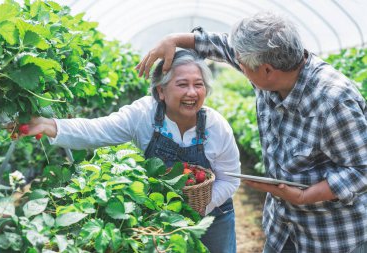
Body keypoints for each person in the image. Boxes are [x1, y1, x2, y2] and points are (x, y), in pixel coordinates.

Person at [136, 12, 367, 253]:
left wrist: (303, 196)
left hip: (331, 235)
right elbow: (224, 46)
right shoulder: (272, 66)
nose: (239, 67)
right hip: (282, 227)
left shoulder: (333, 101)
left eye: (242, 65)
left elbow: (362, 170)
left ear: (267, 70)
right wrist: (175, 39)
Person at [19, 50, 240, 253]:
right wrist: (50, 125)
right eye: (182, 84)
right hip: (160, 215)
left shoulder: (216, 127)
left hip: (214, 215)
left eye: (198, 84)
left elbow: (230, 180)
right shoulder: (143, 115)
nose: (192, 92)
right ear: (161, 91)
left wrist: (197, 208)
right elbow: (97, 129)